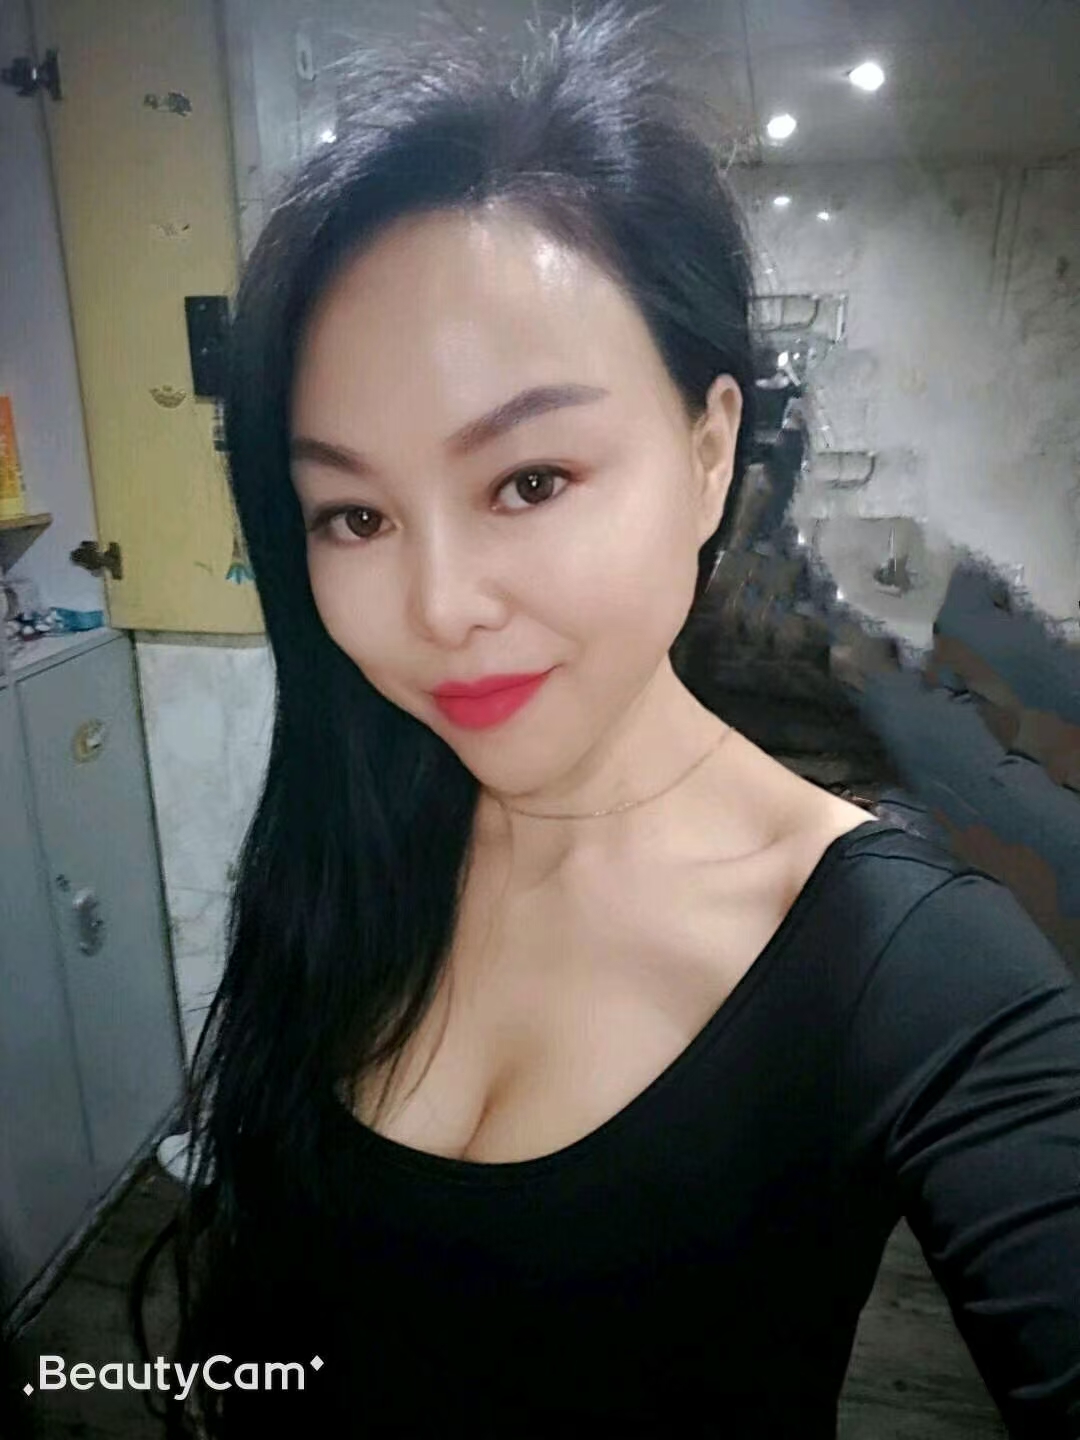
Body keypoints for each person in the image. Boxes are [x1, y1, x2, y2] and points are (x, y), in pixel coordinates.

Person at [133, 6, 1080, 1436]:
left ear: (708, 452)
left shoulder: (908, 968)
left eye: (529, 481)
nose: (439, 607)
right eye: (355, 515)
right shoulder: (359, 828)